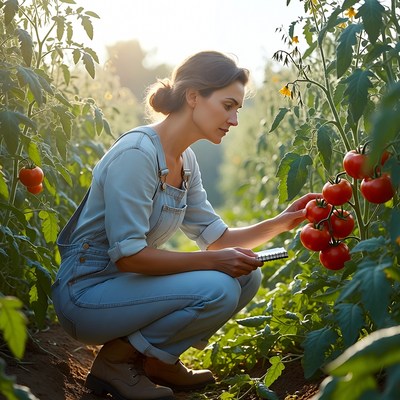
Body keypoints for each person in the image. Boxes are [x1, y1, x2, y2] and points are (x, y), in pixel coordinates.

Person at [52, 50, 317, 400]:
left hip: (123, 287)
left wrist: (285, 222)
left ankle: (158, 363)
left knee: (246, 275)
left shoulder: (184, 160)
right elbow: (129, 256)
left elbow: (217, 238)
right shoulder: (137, 155)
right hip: (85, 294)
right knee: (218, 287)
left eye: (237, 108)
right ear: (193, 96)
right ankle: (115, 364)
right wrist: (211, 261)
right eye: (227, 106)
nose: (234, 119)